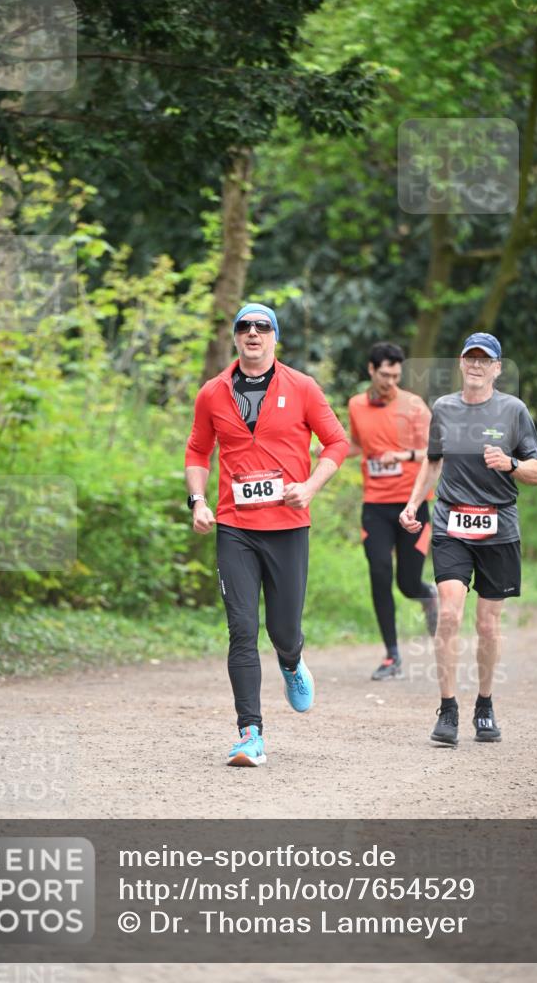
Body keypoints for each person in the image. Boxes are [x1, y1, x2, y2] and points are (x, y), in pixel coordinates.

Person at [184, 303, 349, 766]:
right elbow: (197, 451)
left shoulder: (302, 387)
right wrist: (198, 502)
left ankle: (291, 660)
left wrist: (310, 487)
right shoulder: (213, 392)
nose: (253, 333)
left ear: (275, 337)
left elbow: (337, 442)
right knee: (241, 629)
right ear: (235, 337)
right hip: (235, 527)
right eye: (244, 326)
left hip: (288, 527)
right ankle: (250, 733)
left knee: (283, 630)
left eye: (262, 326)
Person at [399, 332, 537, 746]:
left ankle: (485, 704)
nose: (477, 365)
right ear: (462, 363)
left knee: (487, 624)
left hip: (499, 527)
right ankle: (448, 709)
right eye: (471, 358)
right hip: (452, 525)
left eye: (485, 360)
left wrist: (511, 464)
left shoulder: (513, 411)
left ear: (497, 368)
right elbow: (432, 463)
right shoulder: (444, 408)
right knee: (449, 614)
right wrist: (413, 505)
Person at [347, 342, 438, 680]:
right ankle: (392, 656)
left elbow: (435, 451)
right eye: (385, 375)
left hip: (413, 505)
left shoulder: (413, 406)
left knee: (407, 583)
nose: (390, 382)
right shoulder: (356, 405)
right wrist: (327, 451)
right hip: (375, 505)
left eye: (396, 376)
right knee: (380, 572)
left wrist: (402, 456)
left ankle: (427, 595)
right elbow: (357, 444)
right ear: (371, 370)